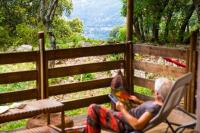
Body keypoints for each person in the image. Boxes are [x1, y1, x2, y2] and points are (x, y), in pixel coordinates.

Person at [85, 78, 173, 133]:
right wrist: (138, 101)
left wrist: (122, 109)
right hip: (124, 118)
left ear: (157, 93)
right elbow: (148, 109)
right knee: (90, 120)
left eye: (154, 90)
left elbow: (137, 125)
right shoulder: (161, 105)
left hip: (122, 123)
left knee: (92, 108)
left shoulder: (154, 108)